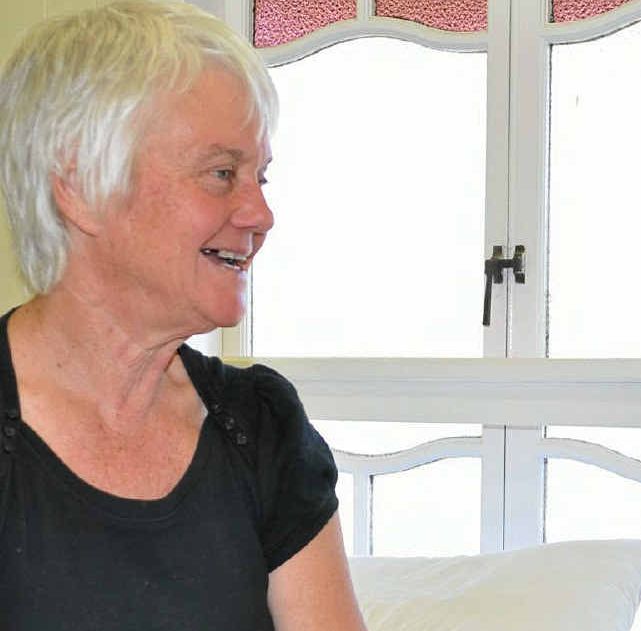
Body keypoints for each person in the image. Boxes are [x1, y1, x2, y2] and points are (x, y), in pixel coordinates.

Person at [0, 2, 367, 629]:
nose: (260, 215)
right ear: (82, 187)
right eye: (222, 174)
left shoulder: (264, 430)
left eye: (262, 178)